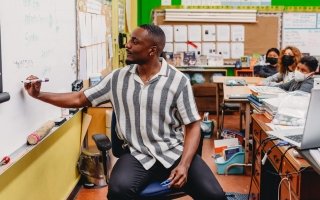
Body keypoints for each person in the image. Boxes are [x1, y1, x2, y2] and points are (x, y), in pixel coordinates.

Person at [24, 24, 226, 200]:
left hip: (172, 151)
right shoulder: (118, 78)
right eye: (130, 40)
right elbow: (79, 99)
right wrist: (39, 95)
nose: (127, 45)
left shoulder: (177, 81)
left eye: (135, 42)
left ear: (152, 50)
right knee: (118, 191)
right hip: (137, 154)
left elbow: (192, 125)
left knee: (215, 195)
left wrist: (184, 165)